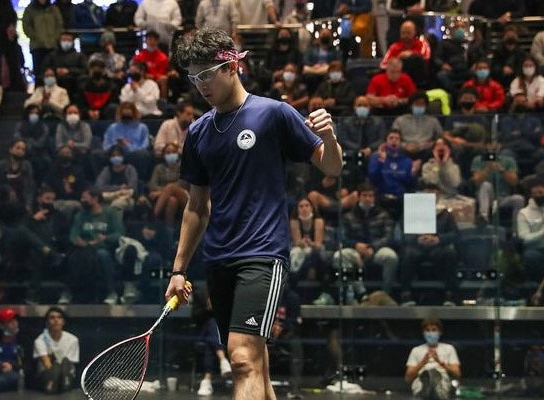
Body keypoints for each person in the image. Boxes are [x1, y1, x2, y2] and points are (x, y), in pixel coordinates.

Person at [166, 28, 342, 400]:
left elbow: (330, 168)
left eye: (206, 75)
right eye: (193, 78)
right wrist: (179, 269)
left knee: (242, 359)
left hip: (262, 256)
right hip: (218, 261)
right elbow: (197, 207)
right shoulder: (198, 133)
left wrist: (330, 138)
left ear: (231, 66)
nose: (200, 86)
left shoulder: (274, 114)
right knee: (254, 364)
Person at [334, 183, 399, 297]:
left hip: (376, 249)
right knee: (338, 256)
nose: (367, 198)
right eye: (364, 195)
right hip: (355, 250)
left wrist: (372, 247)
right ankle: (360, 293)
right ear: (359, 197)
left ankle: (385, 293)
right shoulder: (348, 216)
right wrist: (356, 245)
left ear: (374, 197)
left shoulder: (384, 214)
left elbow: (388, 237)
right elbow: (341, 237)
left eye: (370, 196)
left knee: (391, 256)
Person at [400, 183, 459, 306]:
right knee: (407, 254)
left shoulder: (445, 214)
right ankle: (405, 295)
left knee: (450, 253)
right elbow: (403, 235)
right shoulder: (413, 212)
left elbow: (454, 234)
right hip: (417, 248)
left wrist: (438, 239)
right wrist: (417, 238)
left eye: (434, 193)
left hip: (437, 248)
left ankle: (450, 295)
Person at [65, 188, 123, 304]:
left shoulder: (110, 213)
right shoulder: (80, 215)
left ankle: (111, 291)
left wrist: (105, 238)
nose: (82, 200)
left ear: (95, 199)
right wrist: (78, 241)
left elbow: (119, 233)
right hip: (84, 249)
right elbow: (73, 234)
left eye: (85, 198)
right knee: (72, 257)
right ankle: (68, 292)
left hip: (103, 248)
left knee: (102, 255)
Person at [517, 179, 544, 281]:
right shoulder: (523, 213)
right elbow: (524, 239)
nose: (538, 196)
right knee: (530, 256)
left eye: (541, 193)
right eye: (534, 193)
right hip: (536, 248)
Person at [470, 140, 525, 224]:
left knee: (519, 199)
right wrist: (487, 169)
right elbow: (476, 181)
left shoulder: (509, 160)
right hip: (485, 196)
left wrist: (502, 170)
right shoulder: (478, 159)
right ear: (487, 145)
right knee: (486, 184)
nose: (494, 146)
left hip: (503, 197)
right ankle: (483, 217)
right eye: (491, 144)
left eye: (497, 144)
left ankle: (516, 230)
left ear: (500, 146)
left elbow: (514, 182)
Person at [405, 318, 461, 400]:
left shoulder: (449, 348)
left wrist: (441, 363)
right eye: (427, 330)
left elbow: (457, 374)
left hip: (442, 379)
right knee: (424, 377)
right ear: (423, 333)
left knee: (438, 377)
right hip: (421, 378)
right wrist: (423, 362)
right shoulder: (416, 350)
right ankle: (427, 386)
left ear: (440, 332)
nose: (431, 333)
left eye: (434, 330)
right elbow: (408, 378)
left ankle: (434, 386)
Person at [192, 287, 233, 396]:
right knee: (212, 322)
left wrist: (218, 308)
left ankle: (207, 380)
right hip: (204, 332)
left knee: (210, 342)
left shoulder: (227, 291)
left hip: (223, 332)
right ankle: (223, 360)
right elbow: (195, 316)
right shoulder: (201, 293)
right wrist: (208, 308)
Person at [368, 129, 420, 214]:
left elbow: (410, 184)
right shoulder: (376, 157)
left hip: (401, 199)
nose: (394, 140)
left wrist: (413, 172)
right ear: (385, 141)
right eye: (391, 138)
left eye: (397, 138)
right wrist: (382, 161)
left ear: (400, 142)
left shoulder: (407, 161)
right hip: (381, 198)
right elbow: (373, 178)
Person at [33, 307, 79, 394]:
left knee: (65, 363)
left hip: (67, 374)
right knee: (56, 367)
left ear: (63, 321)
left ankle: (63, 382)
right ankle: (53, 383)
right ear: (47, 323)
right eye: (52, 317)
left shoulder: (73, 339)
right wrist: (55, 372)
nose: (56, 320)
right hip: (47, 374)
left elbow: (70, 363)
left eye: (59, 317)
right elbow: (46, 362)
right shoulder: (40, 340)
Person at [103, 102, 153, 177]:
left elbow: (144, 146)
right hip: (115, 153)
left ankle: (140, 179)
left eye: (128, 116)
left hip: (134, 154)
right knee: (97, 154)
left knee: (143, 154)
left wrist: (128, 145)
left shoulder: (142, 128)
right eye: (124, 116)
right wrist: (116, 145)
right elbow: (106, 146)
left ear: (134, 114)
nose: (126, 119)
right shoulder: (112, 128)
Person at [391, 91, 443, 160]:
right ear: (411, 105)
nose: (419, 106)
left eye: (422, 104)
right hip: (405, 149)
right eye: (416, 104)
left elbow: (440, 138)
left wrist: (431, 144)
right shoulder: (400, 120)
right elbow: (392, 138)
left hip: (426, 151)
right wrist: (405, 146)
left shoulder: (433, 121)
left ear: (426, 106)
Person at [380, 19, 431, 87]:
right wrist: (398, 60)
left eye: (408, 33)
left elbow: (426, 57)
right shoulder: (394, 46)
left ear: (414, 32)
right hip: (398, 79)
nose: (406, 36)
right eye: (403, 33)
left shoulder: (422, 43)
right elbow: (383, 65)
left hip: (418, 79)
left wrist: (411, 54)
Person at [148, 143, 188, 225]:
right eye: (168, 153)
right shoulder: (159, 168)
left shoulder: (183, 167)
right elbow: (153, 185)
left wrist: (162, 192)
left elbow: (183, 183)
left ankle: (152, 219)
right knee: (172, 200)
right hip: (165, 198)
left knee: (171, 187)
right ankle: (169, 230)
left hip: (184, 196)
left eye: (173, 152)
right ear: (163, 155)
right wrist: (166, 192)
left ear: (178, 154)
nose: (171, 155)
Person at [22, 0, 63, 79]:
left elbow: (59, 24)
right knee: (38, 73)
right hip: (37, 46)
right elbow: (26, 26)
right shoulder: (30, 9)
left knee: (53, 71)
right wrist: (35, 37)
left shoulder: (53, 9)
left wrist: (55, 38)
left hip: (52, 46)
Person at [0, 139, 35, 210]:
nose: (20, 151)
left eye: (23, 150)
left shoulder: (27, 166)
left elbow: (29, 187)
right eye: (18, 148)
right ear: (10, 149)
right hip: (2, 201)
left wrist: (28, 204)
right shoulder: (0, 165)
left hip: (21, 203)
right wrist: (6, 189)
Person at [433, 20, 477, 92]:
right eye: (457, 27)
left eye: (462, 27)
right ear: (452, 30)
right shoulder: (445, 44)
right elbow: (437, 58)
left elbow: (478, 58)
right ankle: (454, 92)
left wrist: (475, 65)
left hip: (466, 70)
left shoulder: (470, 45)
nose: (460, 29)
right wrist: (443, 65)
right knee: (441, 75)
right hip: (451, 70)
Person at [42, 31, 87, 97]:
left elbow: (85, 70)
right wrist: (54, 70)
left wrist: (69, 71)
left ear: (72, 42)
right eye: (64, 40)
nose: (66, 42)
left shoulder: (79, 56)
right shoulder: (52, 55)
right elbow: (44, 67)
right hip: (55, 79)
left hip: (73, 80)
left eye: (69, 40)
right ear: (59, 41)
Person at [14, 105, 50, 185]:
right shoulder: (20, 125)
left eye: (36, 113)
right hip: (23, 151)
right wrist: (27, 144)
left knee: (42, 162)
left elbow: (42, 142)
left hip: (40, 153)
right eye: (32, 113)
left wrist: (30, 142)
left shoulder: (43, 126)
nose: (34, 115)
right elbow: (17, 138)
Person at [96, 146, 139, 212]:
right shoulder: (106, 170)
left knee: (116, 204)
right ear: (110, 158)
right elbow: (99, 187)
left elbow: (132, 187)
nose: (116, 157)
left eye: (118, 155)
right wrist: (118, 188)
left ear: (123, 156)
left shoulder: (130, 169)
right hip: (109, 197)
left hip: (126, 198)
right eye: (113, 156)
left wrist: (121, 192)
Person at [490, 25, 527, 89]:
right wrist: (502, 69)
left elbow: (523, 68)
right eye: (508, 36)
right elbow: (494, 66)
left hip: (516, 80)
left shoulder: (521, 53)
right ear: (504, 37)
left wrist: (513, 71)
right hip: (500, 79)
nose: (510, 38)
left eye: (512, 36)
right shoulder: (498, 52)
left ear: (516, 37)